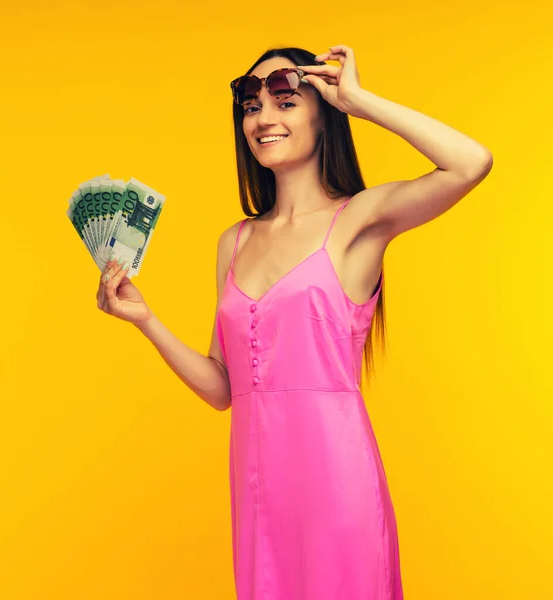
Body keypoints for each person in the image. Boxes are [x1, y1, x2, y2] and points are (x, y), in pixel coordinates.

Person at [96, 44, 492, 600]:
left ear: (321, 115)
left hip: (336, 486)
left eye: (284, 101)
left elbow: (471, 162)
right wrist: (146, 320)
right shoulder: (234, 242)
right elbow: (222, 388)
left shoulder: (358, 219)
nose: (263, 118)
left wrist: (358, 101)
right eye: (251, 106)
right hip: (259, 493)